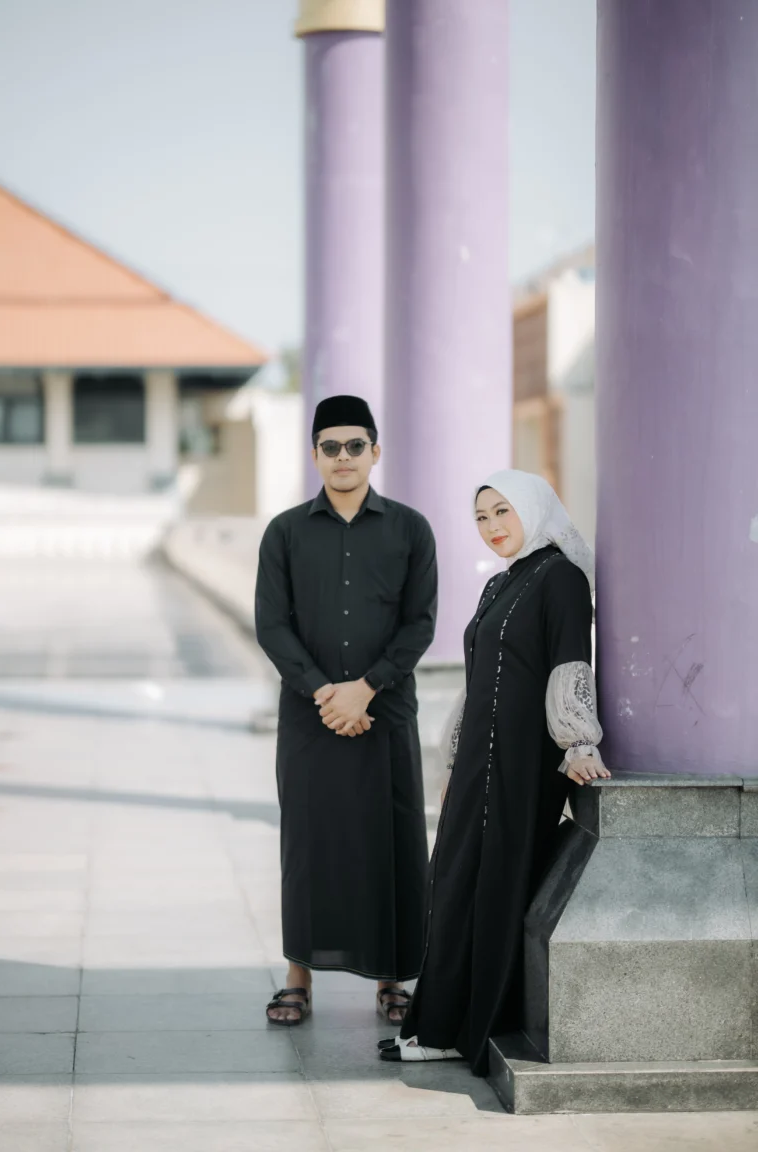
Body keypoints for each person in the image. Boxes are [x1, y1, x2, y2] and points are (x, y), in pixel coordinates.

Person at [378, 468, 610, 1072]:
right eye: (481, 517)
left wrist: (579, 743)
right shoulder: (502, 583)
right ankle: (443, 1021)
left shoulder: (559, 577)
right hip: (480, 761)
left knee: (495, 887)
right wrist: (454, 755)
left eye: (502, 512)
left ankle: (474, 1026)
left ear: (532, 509)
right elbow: (480, 677)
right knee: (453, 883)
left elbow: (569, 661)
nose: (492, 528)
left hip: (522, 763)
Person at [255, 394, 437, 1027]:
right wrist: (326, 693)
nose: (342, 457)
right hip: (310, 719)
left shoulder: (412, 529)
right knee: (309, 843)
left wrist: (368, 688)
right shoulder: (284, 532)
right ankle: (298, 976)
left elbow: (420, 625)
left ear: (374, 451)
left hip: (386, 715)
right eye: (329, 447)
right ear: (315, 456)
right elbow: (272, 626)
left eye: (354, 445)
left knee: (390, 841)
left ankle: (393, 980)